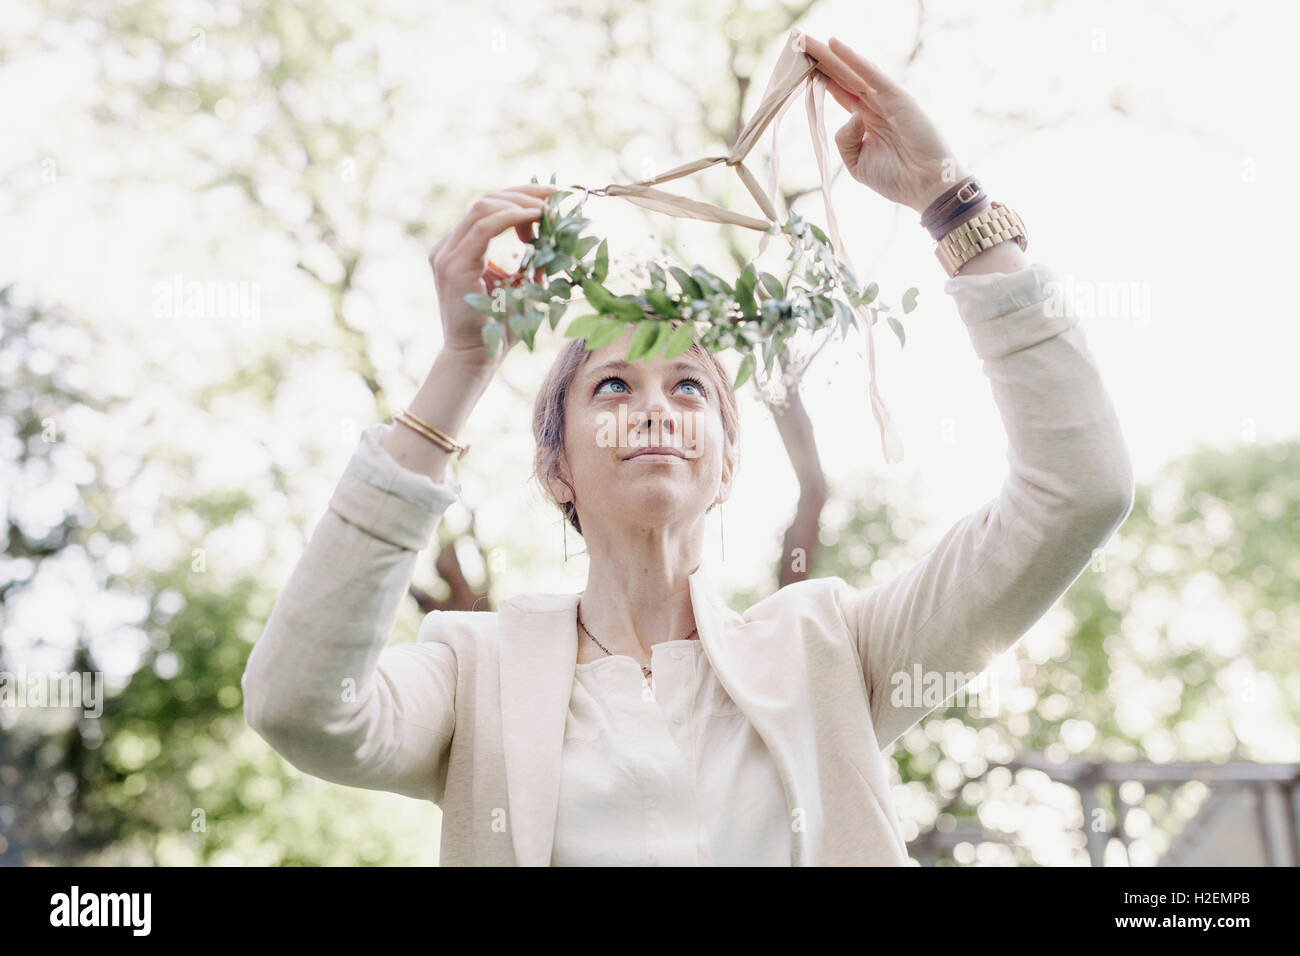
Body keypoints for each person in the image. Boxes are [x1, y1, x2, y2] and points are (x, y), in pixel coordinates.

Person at [241, 35, 1134, 866]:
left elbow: (1078, 491)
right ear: (557, 466)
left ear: (726, 464)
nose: (655, 408)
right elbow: (298, 707)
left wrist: (949, 197)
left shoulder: (833, 651)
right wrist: (462, 364)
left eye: (690, 386)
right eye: (614, 386)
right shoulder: (473, 673)